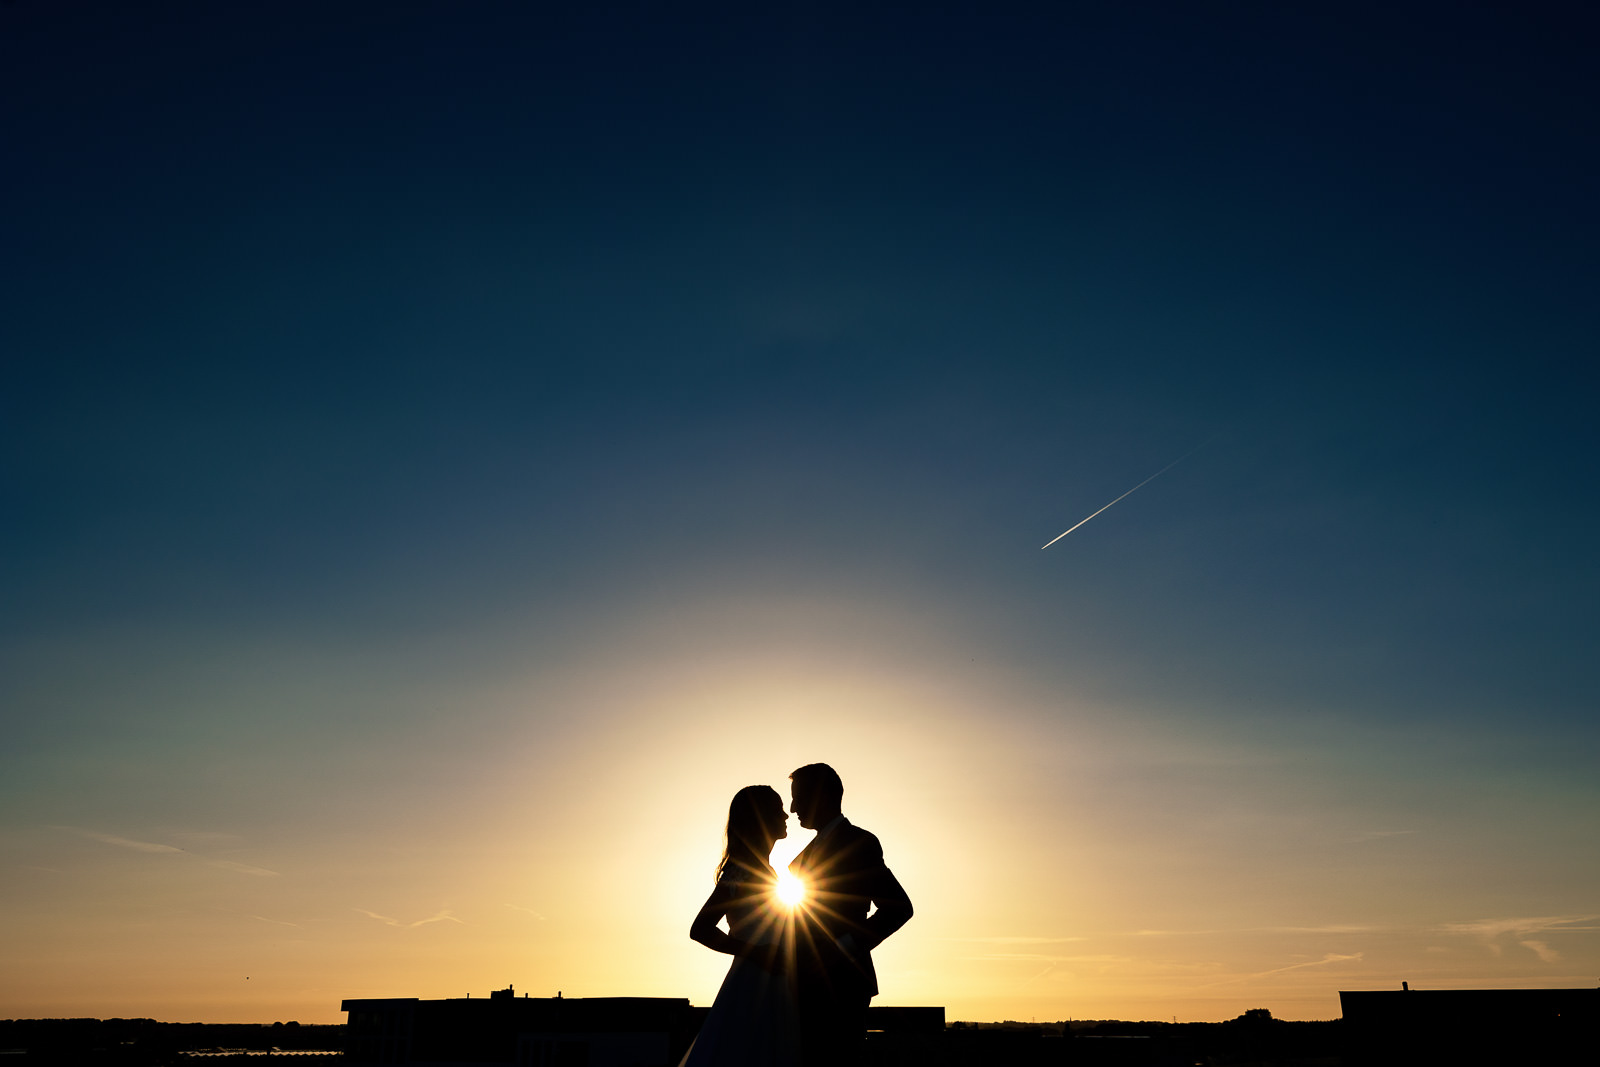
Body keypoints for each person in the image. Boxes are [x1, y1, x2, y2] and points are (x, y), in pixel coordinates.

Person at [787, 763, 913, 1067]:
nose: (792, 808)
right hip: (803, 984)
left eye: (798, 798)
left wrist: (842, 948)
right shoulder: (803, 856)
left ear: (822, 797)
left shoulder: (860, 843)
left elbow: (898, 908)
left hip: (842, 985)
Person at [680, 785, 800, 1067]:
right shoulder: (741, 871)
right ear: (761, 819)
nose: (785, 815)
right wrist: (755, 952)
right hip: (753, 982)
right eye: (777, 810)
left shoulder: (765, 870)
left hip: (774, 980)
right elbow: (700, 929)